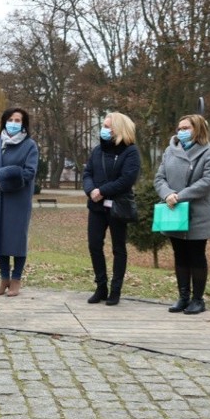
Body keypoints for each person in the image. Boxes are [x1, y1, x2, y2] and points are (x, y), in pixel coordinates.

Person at [154, 114, 210, 315]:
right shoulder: (169, 151)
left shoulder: (209, 153)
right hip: (174, 211)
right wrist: (167, 194)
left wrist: (180, 196)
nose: (181, 132)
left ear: (197, 129)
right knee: (180, 255)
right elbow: (159, 178)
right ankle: (183, 297)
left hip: (198, 214)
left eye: (186, 128)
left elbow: (208, 181)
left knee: (196, 256)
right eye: (179, 128)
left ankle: (198, 300)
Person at [0, 107, 39, 297]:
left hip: (17, 200)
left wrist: (3, 176)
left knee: (17, 240)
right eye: (10, 119)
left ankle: (16, 279)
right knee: (0, 238)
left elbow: (29, 172)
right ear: (4, 121)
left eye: (18, 120)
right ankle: (4, 278)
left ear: (23, 124)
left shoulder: (30, 145)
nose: (13, 123)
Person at [82, 112, 141, 306]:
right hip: (96, 206)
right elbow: (87, 172)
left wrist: (103, 191)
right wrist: (91, 190)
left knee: (118, 248)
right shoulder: (98, 150)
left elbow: (126, 179)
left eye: (109, 126)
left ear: (119, 129)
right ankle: (101, 286)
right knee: (94, 245)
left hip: (117, 207)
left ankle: (116, 290)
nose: (104, 130)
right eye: (104, 126)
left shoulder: (130, 151)